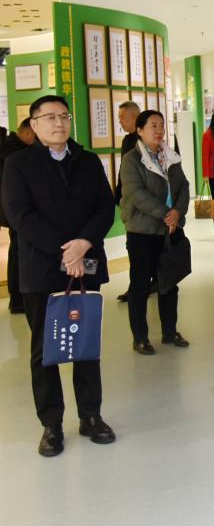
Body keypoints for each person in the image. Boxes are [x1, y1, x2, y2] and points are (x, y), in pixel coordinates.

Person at [2, 95, 116, 456]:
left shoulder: (87, 161)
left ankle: (91, 416)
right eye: (50, 117)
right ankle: (51, 424)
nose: (59, 123)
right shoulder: (18, 164)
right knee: (44, 351)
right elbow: (19, 215)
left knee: (86, 346)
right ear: (33, 125)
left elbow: (105, 207)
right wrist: (66, 251)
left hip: (86, 266)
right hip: (41, 269)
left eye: (64, 116)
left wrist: (84, 244)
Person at [120, 110, 191, 355]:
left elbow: (184, 186)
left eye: (161, 125)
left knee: (169, 283)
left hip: (170, 229)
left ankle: (170, 331)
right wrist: (166, 213)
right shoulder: (131, 160)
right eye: (153, 126)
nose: (159, 130)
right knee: (140, 285)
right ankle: (140, 337)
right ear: (140, 131)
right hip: (143, 231)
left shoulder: (170, 156)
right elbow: (136, 194)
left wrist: (178, 213)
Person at [0, 118, 35, 314]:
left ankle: (18, 298)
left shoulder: (9, 147)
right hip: (17, 212)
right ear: (28, 131)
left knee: (17, 252)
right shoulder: (14, 153)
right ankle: (18, 299)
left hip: (12, 211)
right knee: (19, 254)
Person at [114, 101, 142, 302]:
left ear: (134, 117)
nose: (120, 122)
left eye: (122, 117)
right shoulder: (127, 141)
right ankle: (138, 284)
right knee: (133, 245)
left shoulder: (142, 141)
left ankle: (142, 284)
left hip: (140, 202)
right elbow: (123, 171)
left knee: (139, 247)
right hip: (129, 200)